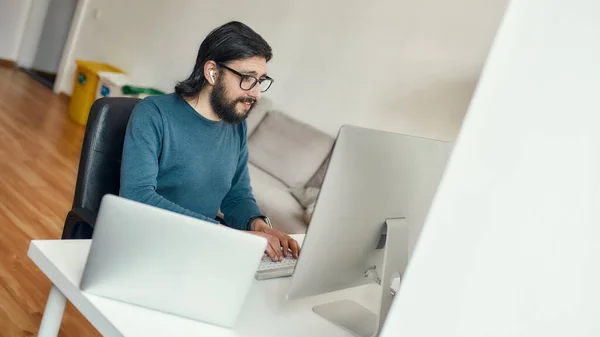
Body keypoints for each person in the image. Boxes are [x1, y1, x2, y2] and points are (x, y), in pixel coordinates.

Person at [119, 21, 299, 262]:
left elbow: (237, 195)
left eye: (261, 81)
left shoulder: (236, 126)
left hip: (200, 249)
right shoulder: (153, 114)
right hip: (147, 246)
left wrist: (259, 226)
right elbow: (137, 197)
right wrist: (225, 235)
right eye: (248, 78)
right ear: (212, 72)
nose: (256, 93)